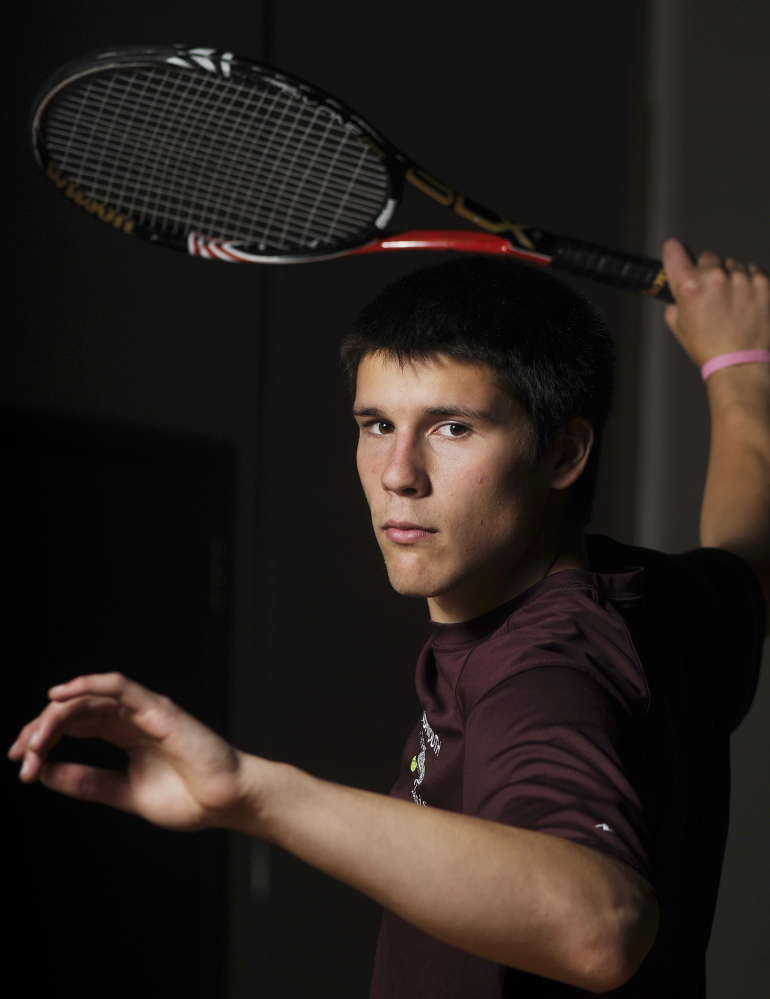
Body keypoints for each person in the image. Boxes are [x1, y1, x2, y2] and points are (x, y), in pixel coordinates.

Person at [9, 239, 770, 997]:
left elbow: (602, 926)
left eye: (453, 427)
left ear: (565, 454)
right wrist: (735, 363)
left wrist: (252, 792)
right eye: (377, 424)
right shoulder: (654, 601)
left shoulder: (545, 669)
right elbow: (748, 559)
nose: (398, 474)